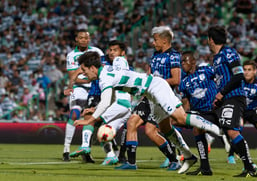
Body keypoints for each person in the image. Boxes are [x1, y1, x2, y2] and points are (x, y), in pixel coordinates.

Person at [71, 51, 222, 170]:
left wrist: (90, 119)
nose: (83, 73)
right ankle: (188, 156)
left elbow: (105, 102)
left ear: (92, 67)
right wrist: (94, 109)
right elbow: (109, 99)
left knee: (180, 118)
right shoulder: (104, 73)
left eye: (84, 70)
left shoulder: (104, 78)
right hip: (149, 93)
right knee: (164, 128)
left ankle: (214, 126)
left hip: (155, 87)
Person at [116, 26, 196, 172]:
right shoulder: (155, 55)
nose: (153, 43)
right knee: (131, 122)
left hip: (163, 97)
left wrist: (155, 85)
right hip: (149, 96)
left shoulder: (173, 56)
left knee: (151, 131)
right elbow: (149, 75)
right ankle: (131, 163)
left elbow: (176, 79)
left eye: (155, 39)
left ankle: (174, 160)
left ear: (165, 40)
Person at [68, 40, 131, 165]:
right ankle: (112, 155)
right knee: (103, 130)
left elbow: (108, 99)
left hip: (121, 104)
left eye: (115, 50)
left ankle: (88, 147)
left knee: (94, 120)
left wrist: (89, 119)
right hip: (121, 104)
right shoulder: (102, 63)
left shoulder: (107, 73)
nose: (112, 52)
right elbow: (111, 96)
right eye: (110, 50)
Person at [207, 25, 257, 177]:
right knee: (227, 131)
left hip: (234, 97)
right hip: (224, 99)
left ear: (211, 40)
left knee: (232, 131)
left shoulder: (228, 52)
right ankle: (248, 166)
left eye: (208, 40)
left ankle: (249, 166)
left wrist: (221, 94)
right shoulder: (216, 59)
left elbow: (238, 75)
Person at [63, 29, 104, 161]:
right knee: (74, 114)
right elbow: (72, 77)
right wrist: (87, 80)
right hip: (79, 88)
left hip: (95, 89)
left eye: (86, 38)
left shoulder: (97, 52)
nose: (84, 40)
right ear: (76, 39)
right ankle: (66, 149)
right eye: (81, 38)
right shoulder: (71, 55)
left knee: (91, 118)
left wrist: (92, 81)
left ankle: (86, 150)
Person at [178, 51, 218, 175]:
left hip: (215, 109)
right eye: (182, 61)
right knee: (197, 131)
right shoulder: (183, 82)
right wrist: (184, 115)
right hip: (200, 112)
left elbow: (220, 79)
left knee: (230, 133)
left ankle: (248, 165)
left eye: (185, 60)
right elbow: (185, 102)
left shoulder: (206, 70)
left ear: (194, 62)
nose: (183, 63)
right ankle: (205, 168)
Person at [227, 60, 257, 164]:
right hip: (240, 110)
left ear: (255, 72)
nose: (246, 72)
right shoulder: (238, 81)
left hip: (253, 110)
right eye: (245, 70)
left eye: (249, 70)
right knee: (237, 130)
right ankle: (230, 156)